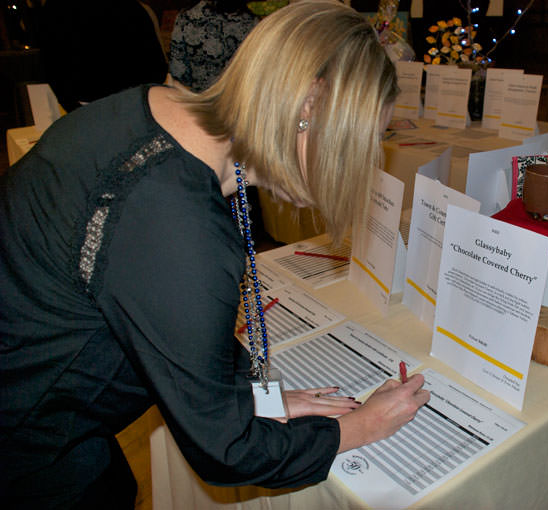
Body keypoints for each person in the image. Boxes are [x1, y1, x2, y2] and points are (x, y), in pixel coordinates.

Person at [0, 1, 430, 508]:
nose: (359, 164)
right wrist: (360, 427)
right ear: (307, 108)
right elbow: (226, 451)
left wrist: (255, 398)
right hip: (29, 451)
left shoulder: (158, 112)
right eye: (360, 142)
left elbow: (166, 321)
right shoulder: (179, 226)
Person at [38, 0, 168, 112]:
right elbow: (157, 69)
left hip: (86, 107)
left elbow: (52, 68)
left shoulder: (55, 9)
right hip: (134, 104)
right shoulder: (133, 7)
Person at [168, 0, 260, 93]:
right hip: (236, 101)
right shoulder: (252, 23)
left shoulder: (186, 18)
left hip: (199, 100)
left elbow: (178, 72)